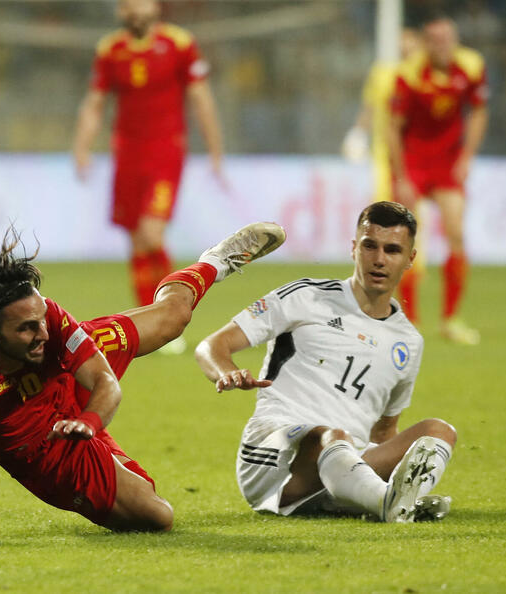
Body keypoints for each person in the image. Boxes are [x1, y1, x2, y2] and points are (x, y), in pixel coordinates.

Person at [0, 221, 285, 542]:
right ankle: (107, 460)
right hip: (48, 444)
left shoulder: (51, 325)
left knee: (172, 318)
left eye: (42, 318)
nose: (43, 331)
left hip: (69, 379)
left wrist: (91, 422)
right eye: (27, 327)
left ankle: (218, 260)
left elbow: (104, 382)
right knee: (156, 514)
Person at [195, 201, 457, 523]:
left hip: (346, 463)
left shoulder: (408, 342)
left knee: (438, 431)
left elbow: (385, 431)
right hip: (275, 456)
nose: (378, 259)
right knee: (331, 436)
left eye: (392, 250)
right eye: (369, 246)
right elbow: (212, 345)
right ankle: (389, 503)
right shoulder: (307, 296)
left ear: (410, 260)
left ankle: (373, 497)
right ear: (353, 249)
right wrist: (227, 372)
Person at [71, 0, 225, 311]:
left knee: (152, 234)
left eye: (142, 2)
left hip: (166, 152)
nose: (136, 10)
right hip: (127, 154)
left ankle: (174, 310)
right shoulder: (111, 50)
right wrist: (81, 147)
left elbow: (201, 98)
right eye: (129, 5)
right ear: (121, 11)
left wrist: (215, 150)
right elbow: (95, 104)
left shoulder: (178, 44)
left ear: (153, 5)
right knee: (138, 241)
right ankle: (148, 319)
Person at [386, 13, 489, 344]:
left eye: (448, 39)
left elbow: (479, 111)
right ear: (427, 44)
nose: (443, 46)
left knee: (456, 233)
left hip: (447, 164)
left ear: (455, 39)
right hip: (414, 162)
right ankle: (409, 318)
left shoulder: (471, 67)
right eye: (436, 40)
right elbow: (393, 127)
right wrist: (400, 175)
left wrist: (467, 156)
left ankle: (451, 319)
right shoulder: (409, 74)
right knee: (408, 239)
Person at [341, 27, 423, 202]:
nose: (405, 44)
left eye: (410, 39)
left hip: (416, 150)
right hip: (384, 150)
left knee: (412, 205)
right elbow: (370, 107)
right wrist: (357, 134)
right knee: (384, 203)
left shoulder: (426, 76)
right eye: (402, 39)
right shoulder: (382, 72)